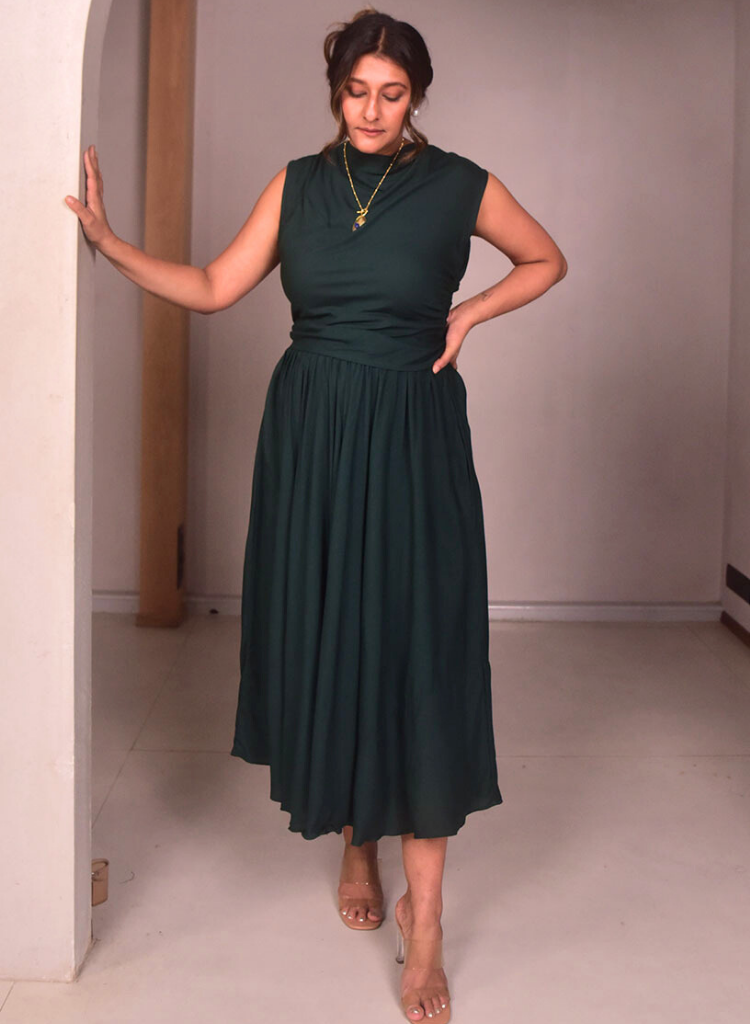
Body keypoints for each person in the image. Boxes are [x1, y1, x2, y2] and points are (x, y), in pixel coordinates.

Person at [65, 7, 567, 1021]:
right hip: (314, 440)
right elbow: (215, 285)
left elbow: (545, 259)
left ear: (417, 96)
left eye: (393, 93)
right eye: (356, 91)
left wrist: (469, 312)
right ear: (336, 91)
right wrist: (111, 245)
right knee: (341, 632)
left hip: (415, 436)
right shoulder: (296, 184)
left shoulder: (460, 183)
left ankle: (427, 924)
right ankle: (355, 839)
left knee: (419, 649)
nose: (372, 110)